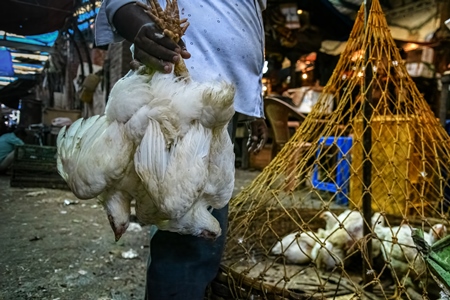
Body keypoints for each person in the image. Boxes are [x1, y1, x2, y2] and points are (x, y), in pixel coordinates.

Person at [95, 1, 268, 299]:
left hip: (223, 98)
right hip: (186, 89)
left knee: (202, 228)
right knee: (187, 238)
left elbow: (246, 20)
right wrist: (139, 27)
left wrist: (254, 104)